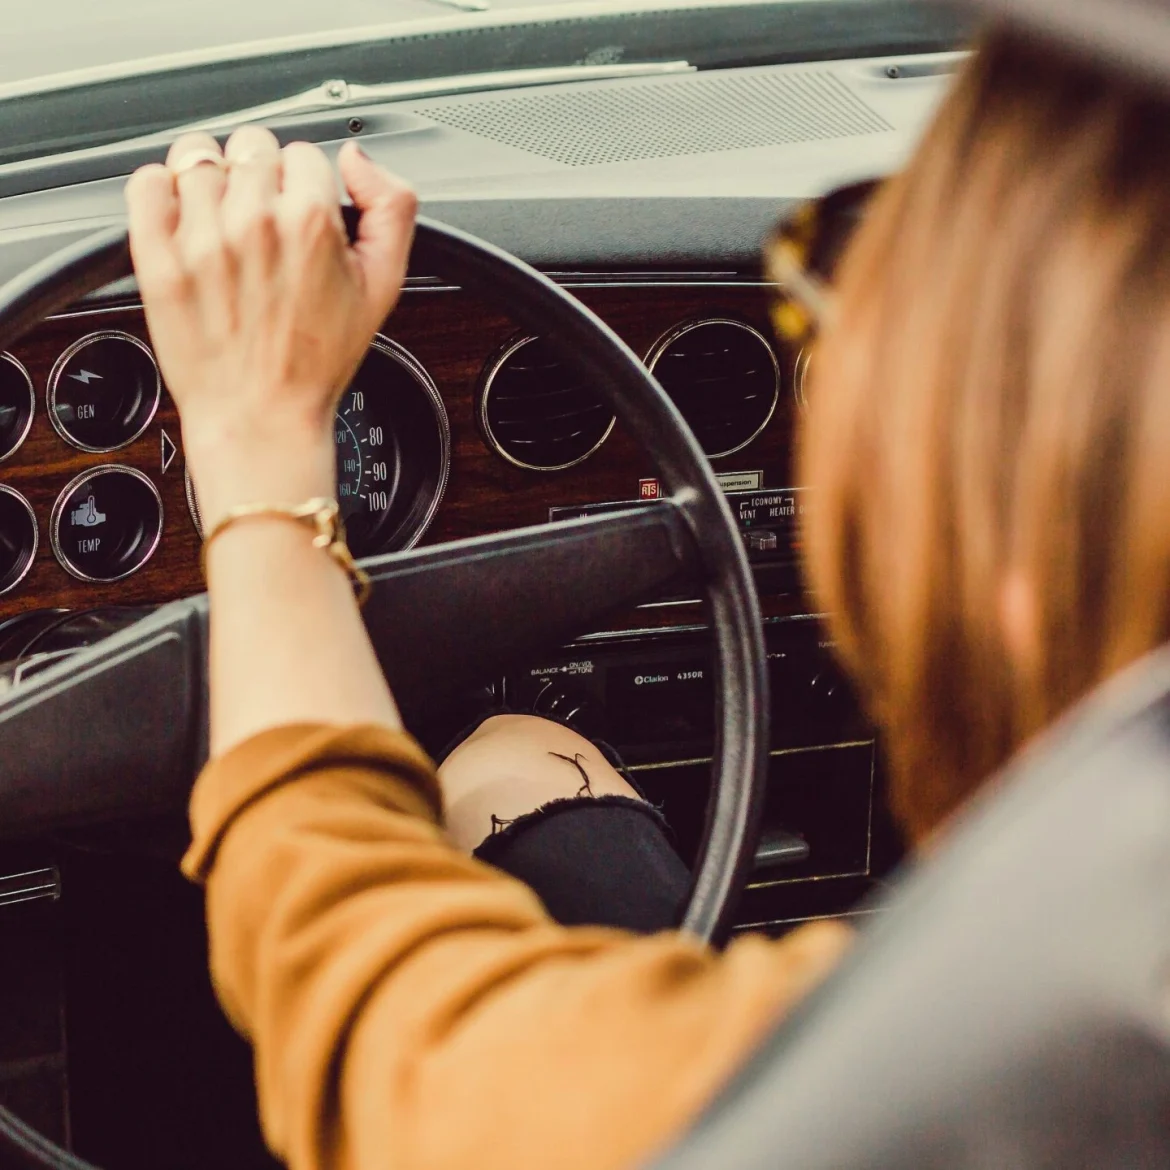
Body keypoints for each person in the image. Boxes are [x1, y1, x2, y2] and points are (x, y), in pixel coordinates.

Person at [122, 26, 1170, 1170]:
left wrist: (260, 452)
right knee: (517, 760)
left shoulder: (1013, 1056)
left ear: (1042, 541)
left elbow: (386, 1024)